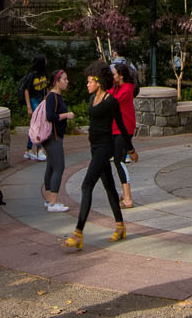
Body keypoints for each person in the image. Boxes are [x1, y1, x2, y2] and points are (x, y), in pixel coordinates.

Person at [62, 63, 128, 250]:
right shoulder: (93, 100)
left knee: (86, 186)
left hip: (105, 148)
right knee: (109, 186)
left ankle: (78, 233)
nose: (87, 84)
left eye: (90, 81)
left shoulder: (110, 101)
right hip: (94, 147)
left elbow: (121, 126)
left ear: (98, 82)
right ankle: (120, 226)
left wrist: (130, 149)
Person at [34, 70, 73, 213]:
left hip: (51, 138)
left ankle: (49, 199)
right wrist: (66, 115)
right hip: (53, 137)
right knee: (59, 167)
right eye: (64, 79)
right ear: (57, 82)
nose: (67, 81)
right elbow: (50, 116)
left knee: (51, 167)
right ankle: (53, 202)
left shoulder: (53, 96)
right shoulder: (52, 97)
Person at [107, 61, 139, 208]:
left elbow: (111, 101)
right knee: (117, 160)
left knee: (119, 161)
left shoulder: (126, 89)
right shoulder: (116, 87)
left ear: (120, 76)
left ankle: (128, 198)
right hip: (115, 128)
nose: (112, 76)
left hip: (124, 128)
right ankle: (125, 195)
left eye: (113, 74)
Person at [19, 58, 50, 162]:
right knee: (38, 124)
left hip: (41, 100)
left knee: (35, 126)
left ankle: (28, 150)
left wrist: (47, 97)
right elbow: (26, 90)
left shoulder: (43, 75)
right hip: (33, 100)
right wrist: (29, 107)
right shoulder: (31, 75)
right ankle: (39, 149)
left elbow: (46, 88)